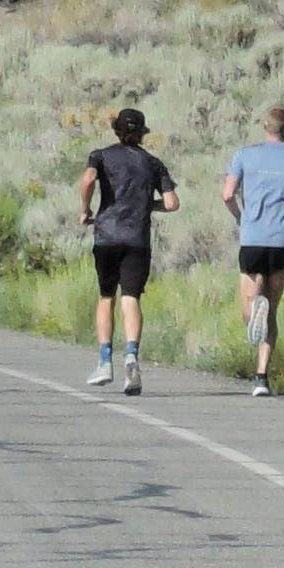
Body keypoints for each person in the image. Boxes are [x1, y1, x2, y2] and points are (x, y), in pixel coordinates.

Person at [79, 106, 179, 395]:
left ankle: (105, 360)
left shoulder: (100, 155)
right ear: (141, 133)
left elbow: (87, 180)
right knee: (131, 297)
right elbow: (172, 203)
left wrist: (86, 209)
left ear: (117, 130)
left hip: (107, 235)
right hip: (137, 238)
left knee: (106, 296)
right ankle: (132, 356)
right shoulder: (153, 163)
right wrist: (148, 205)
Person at [221, 104, 284, 397]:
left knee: (248, 311)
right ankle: (261, 377)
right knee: (273, 309)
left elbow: (227, 194)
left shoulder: (244, 156)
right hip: (283, 241)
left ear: (265, 126)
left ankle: (254, 311)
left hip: (252, 238)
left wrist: (240, 215)